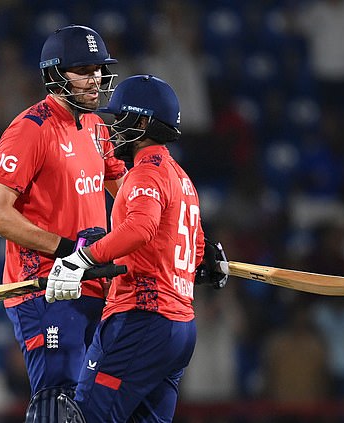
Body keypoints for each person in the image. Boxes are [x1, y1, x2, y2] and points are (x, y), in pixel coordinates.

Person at [45, 75, 228, 422]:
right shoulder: (181, 176)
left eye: (119, 120)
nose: (112, 129)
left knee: (85, 417)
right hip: (180, 327)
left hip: (142, 317)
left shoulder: (146, 174)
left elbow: (141, 228)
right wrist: (210, 261)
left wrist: (80, 260)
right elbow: (197, 246)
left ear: (141, 121)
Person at [0, 24, 127, 420]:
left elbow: (127, 190)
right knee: (58, 401)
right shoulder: (30, 129)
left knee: (96, 405)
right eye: (83, 68)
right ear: (55, 75)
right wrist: (68, 251)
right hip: (45, 287)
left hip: (94, 283)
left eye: (98, 68)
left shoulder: (97, 126)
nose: (95, 77)